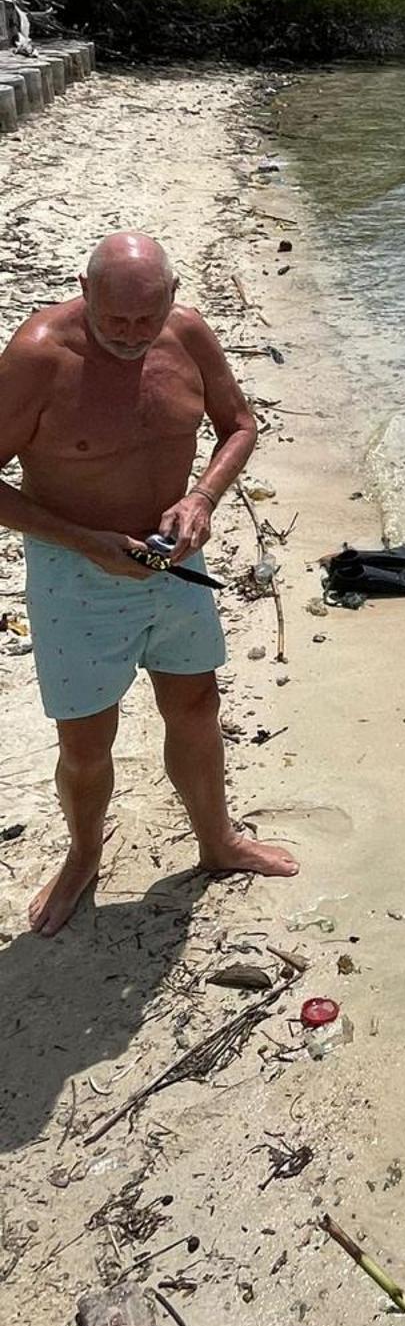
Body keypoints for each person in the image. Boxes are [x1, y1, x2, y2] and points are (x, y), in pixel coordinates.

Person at [0, 233, 298, 936]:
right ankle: (82, 855)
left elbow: (239, 425)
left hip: (175, 560)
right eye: (115, 321)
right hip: (76, 569)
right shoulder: (38, 356)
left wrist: (201, 500)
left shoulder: (186, 333)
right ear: (84, 290)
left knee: (196, 705)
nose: (132, 337)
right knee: (86, 742)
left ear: (169, 295)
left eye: (146, 319)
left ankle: (217, 839)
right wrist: (83, 542)